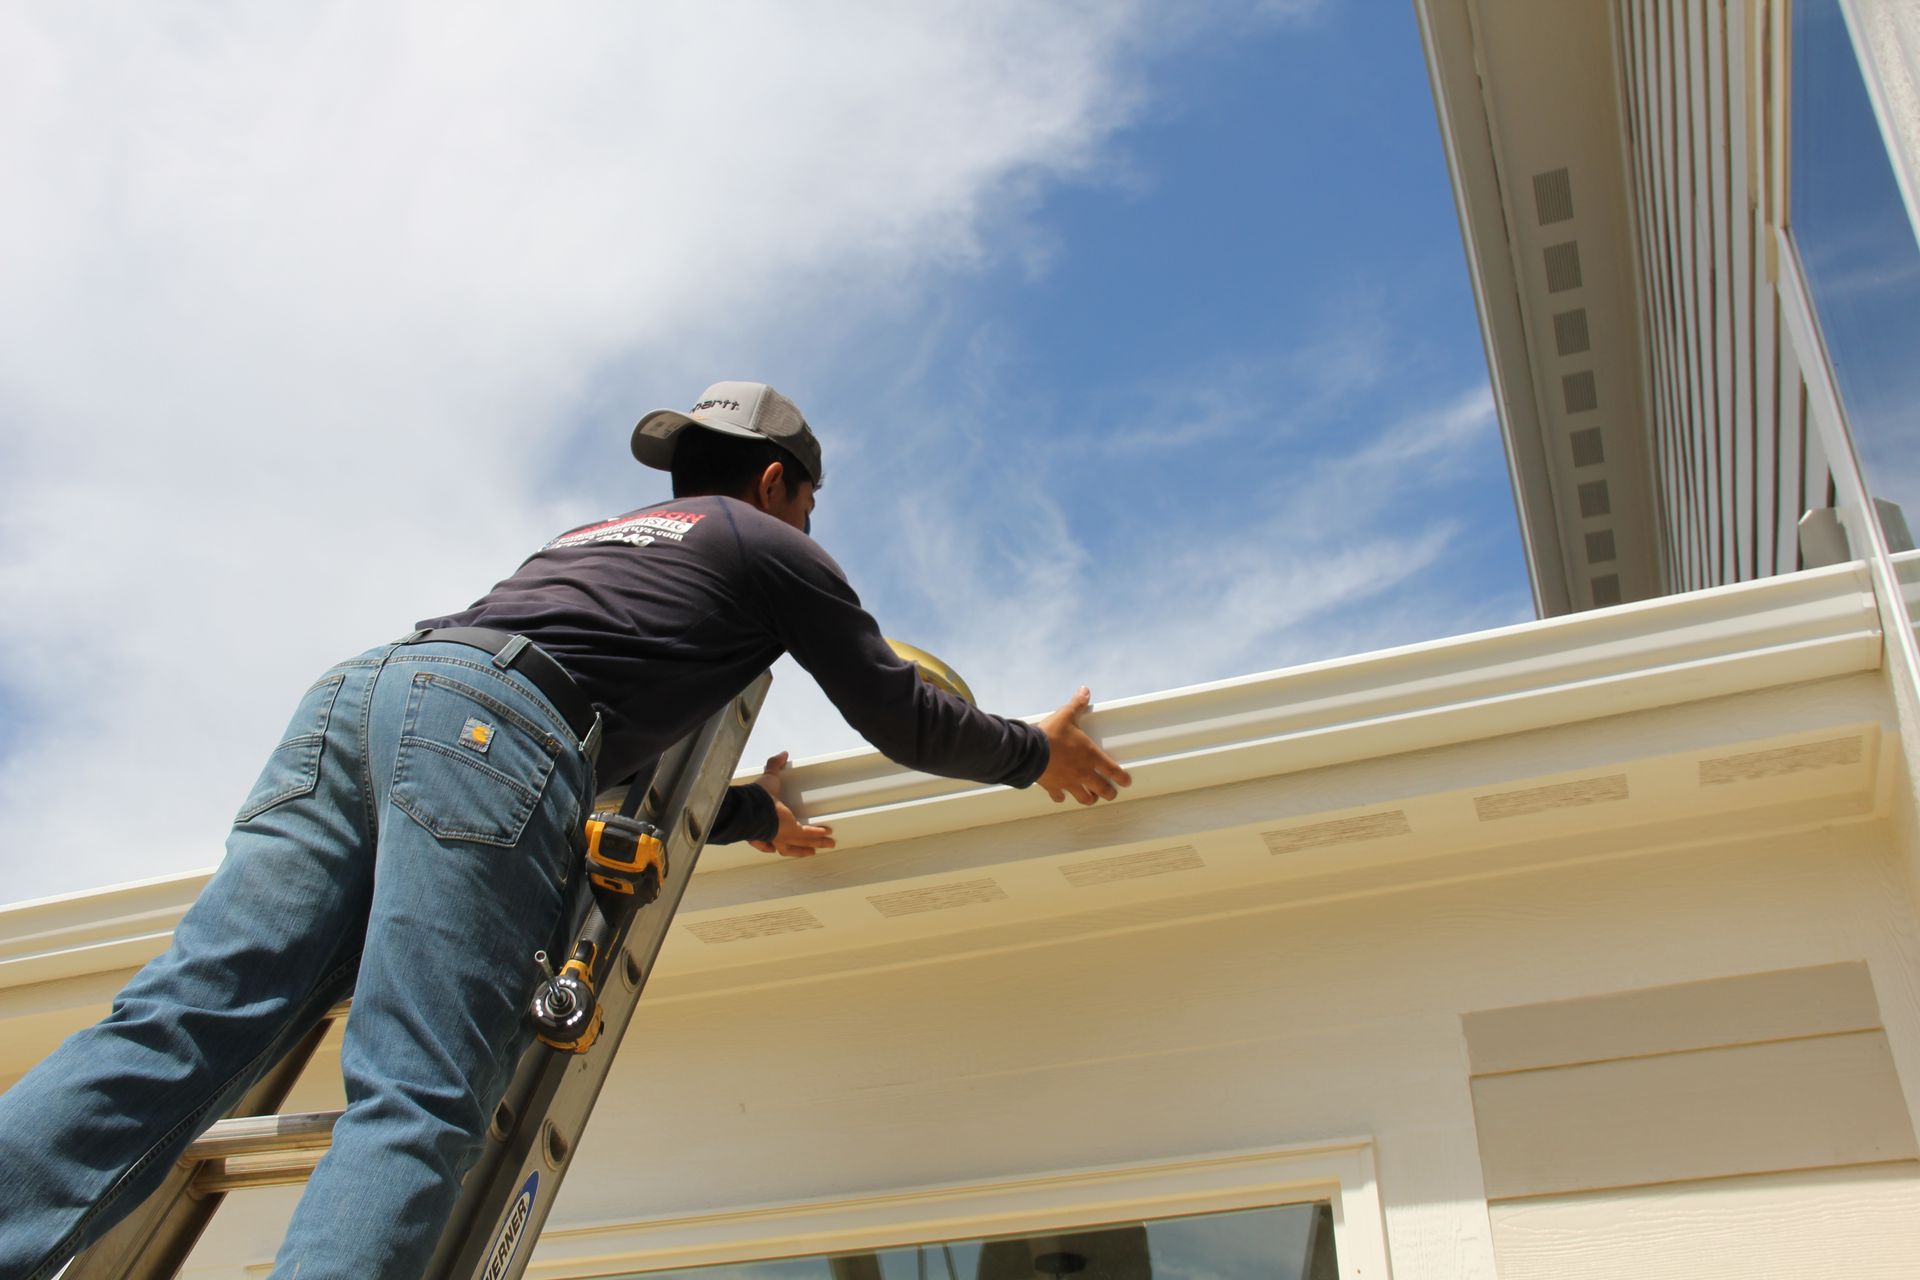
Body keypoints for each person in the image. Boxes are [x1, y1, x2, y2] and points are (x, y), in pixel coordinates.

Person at [0, 381, 1130, 1280]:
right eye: (807, 504)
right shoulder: (771, 547)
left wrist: (739, 813)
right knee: (423, 1093)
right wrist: (1035, 751)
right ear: (784, 485)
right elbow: (899, 710)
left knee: (182, 1017)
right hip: (488, 728)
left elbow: (544, 788)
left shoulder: (592, 545)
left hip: (359, 699)